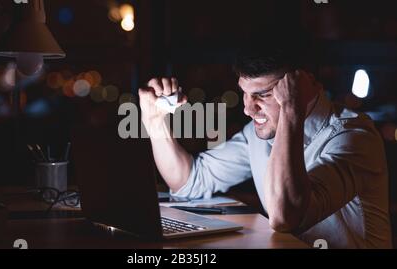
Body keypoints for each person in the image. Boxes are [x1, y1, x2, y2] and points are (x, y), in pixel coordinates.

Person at [138, 36, 392, 249]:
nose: (248, 109)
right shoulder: (258, 133)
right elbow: (189, 180)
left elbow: (286, 217)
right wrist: (154, 120)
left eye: (264, 94)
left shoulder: (354, 138)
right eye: (245, 94)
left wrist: (292, 110)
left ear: (304, 85)